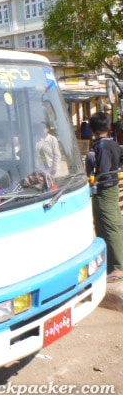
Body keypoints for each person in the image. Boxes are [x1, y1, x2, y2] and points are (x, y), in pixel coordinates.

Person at [85, 112, 123, 283]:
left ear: (92, 129)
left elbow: (104, 171)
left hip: (104, 190)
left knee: (109, 226)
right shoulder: (112, 144)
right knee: (111, 224)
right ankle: (110, 263)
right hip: (112, 188)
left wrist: (94, 179)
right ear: (108, 127)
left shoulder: (101, 146)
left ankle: (118, 267)